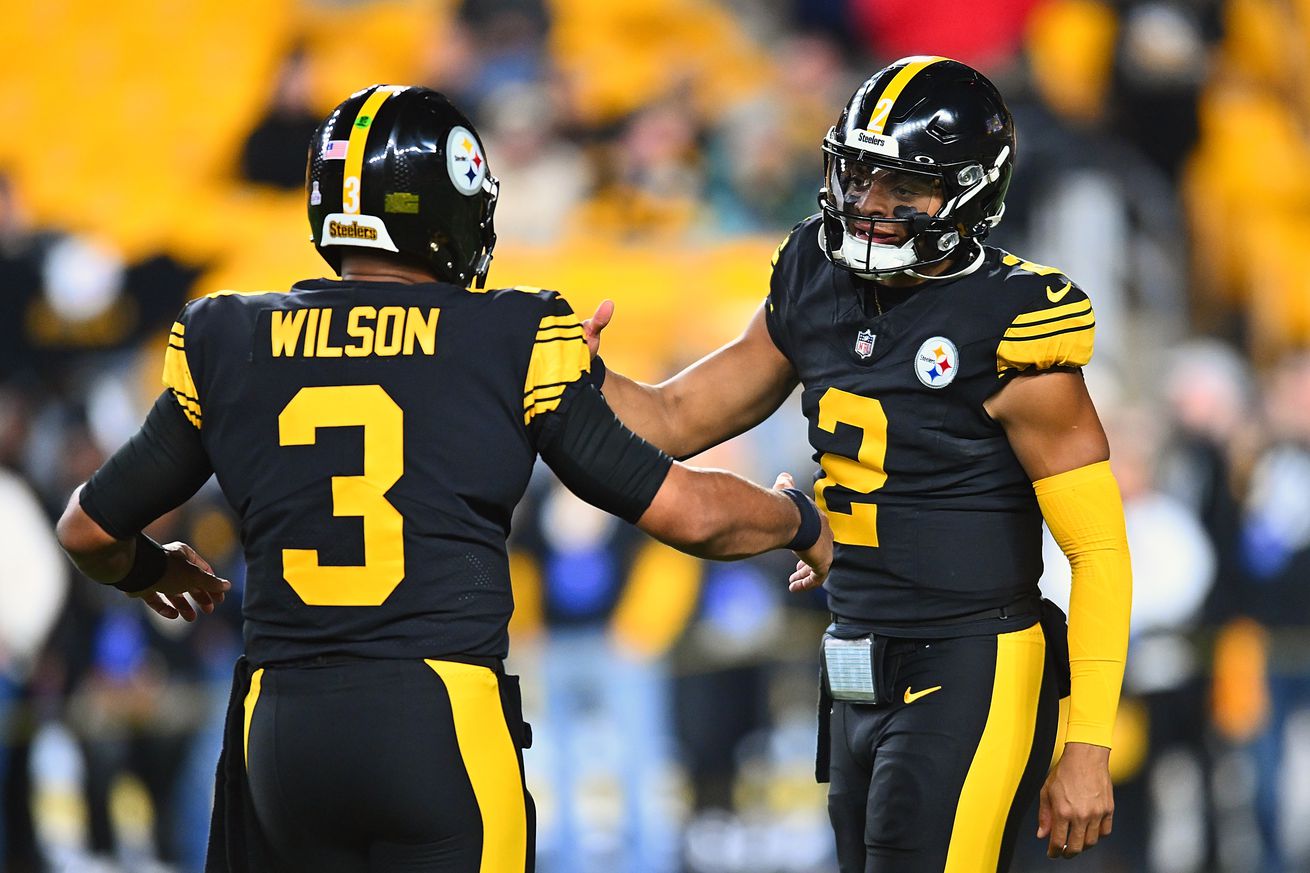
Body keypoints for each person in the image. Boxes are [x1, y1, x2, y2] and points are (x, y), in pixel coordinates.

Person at [53, 84, 833, 873]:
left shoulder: (225, 332)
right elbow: (691, 513)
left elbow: (86, 530)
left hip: (280, 728)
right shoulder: (510, 332)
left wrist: (152, 568)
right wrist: (798, 520)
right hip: (436, 722)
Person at [583, 56, 1132, 871]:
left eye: (903, 188)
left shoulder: (1012, 320)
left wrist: (1087, 744)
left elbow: (1098, 552)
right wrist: (584, 377)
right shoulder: (813, 269)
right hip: (853, 651)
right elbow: (675, 416)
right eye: (861, 176)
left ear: (971, 191)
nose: (872, 206)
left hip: (973, 656)